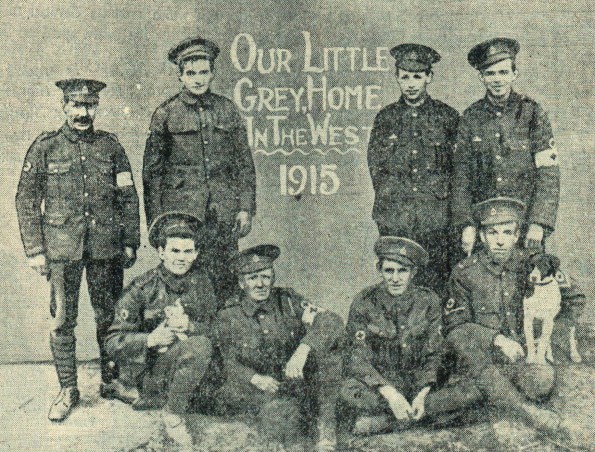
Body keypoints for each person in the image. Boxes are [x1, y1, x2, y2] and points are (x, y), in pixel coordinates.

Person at [15, 78, 140, 422]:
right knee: (62, 320)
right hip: (61, 250)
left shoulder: (111, 147)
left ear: (97, 107)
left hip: (105, 248)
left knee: (110, 317)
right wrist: (35, 250)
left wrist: (130, 240)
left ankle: (111, 382)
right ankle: (68, 388)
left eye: (90, 105)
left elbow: (128, 197)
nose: (83, 112)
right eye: (77, 105)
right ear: (64, 106)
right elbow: (25, 199)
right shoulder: (46, 147)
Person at [143, 36, 256, 305]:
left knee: (227, 280)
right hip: (182, 214)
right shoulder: (165, 114)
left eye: (203, 72)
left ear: (212, 73)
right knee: (188, 284)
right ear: (180, 76)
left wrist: (245, 208)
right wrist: (157, 222)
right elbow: (152, 175)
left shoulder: (227, 110)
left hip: (223, 212)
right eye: (190, 73)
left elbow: (244, 165)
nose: (197, 79)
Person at [444, 197, 563, 434]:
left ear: (517, 236)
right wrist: (496, 339)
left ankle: (486, 398)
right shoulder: (464, 272)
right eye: (492, 232)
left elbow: (573, 298)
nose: (500, 240)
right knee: (473, 370)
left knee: (542, 380)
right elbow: (454, 326)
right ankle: (527, 412)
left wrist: (545, 339)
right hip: (480, 361)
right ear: (481, 236)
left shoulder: (531, 265)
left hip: (519, 361)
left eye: (507, 232)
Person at [341, 237, 481, 435]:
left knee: (472, 388)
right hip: (383, 385)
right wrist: (390, 394)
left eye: (402, 271)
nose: (395, 278)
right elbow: (357, 357)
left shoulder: (428, 300)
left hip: (421, 383)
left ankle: (389, 421)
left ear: (413, 272)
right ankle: (425, 416)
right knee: (346, 390)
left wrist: (422, 394)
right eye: (389, 271)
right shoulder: (364, 301)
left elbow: (436, 353)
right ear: (379, 269)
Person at [213, 245, 344, 451]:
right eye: (252, 278)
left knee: (330, 356)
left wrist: (303, 349)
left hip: (292, 382)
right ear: (241, 283)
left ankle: (326, 431)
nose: (260, 284)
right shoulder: (228, 316)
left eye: (265, 276)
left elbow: (331, 320)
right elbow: (225, 361)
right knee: (283, 416)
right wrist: (255, 379)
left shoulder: (288, 301)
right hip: (255, 390)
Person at [105, 212, 216, 448]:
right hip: (153, 372)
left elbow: (219, 328)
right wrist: (150, 339)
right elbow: (112, 342)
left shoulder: (203, 283)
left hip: (190, 369)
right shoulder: (142, 288)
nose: (181, 258)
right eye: (175, 251)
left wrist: (191, 326)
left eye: (188, 251)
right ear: (161, 252)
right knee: (200, 346)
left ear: (196, 253)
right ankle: (173, 414)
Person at [452, 38, 560, 256]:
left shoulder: (533, 113)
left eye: (503, 72)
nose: (497, 80)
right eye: (490, 74)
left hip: (524, 228)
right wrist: (466, 225)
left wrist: (539, 223)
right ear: (481, 77)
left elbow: (548, 173)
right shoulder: (470, 118)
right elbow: (461, 177)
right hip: (486, 229)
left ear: (514, 74)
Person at [367, 43, 459, 295]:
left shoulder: (447, 117)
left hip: (437, 221)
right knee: (400, 286)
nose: (411, 83)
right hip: (397, 219)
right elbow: (377, 169)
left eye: (417, 77)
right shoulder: (386, 118)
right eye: (405, 76)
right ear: (397, 77)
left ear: (429, 77)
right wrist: (394, 205)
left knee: (438, 286)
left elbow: (459, 171)